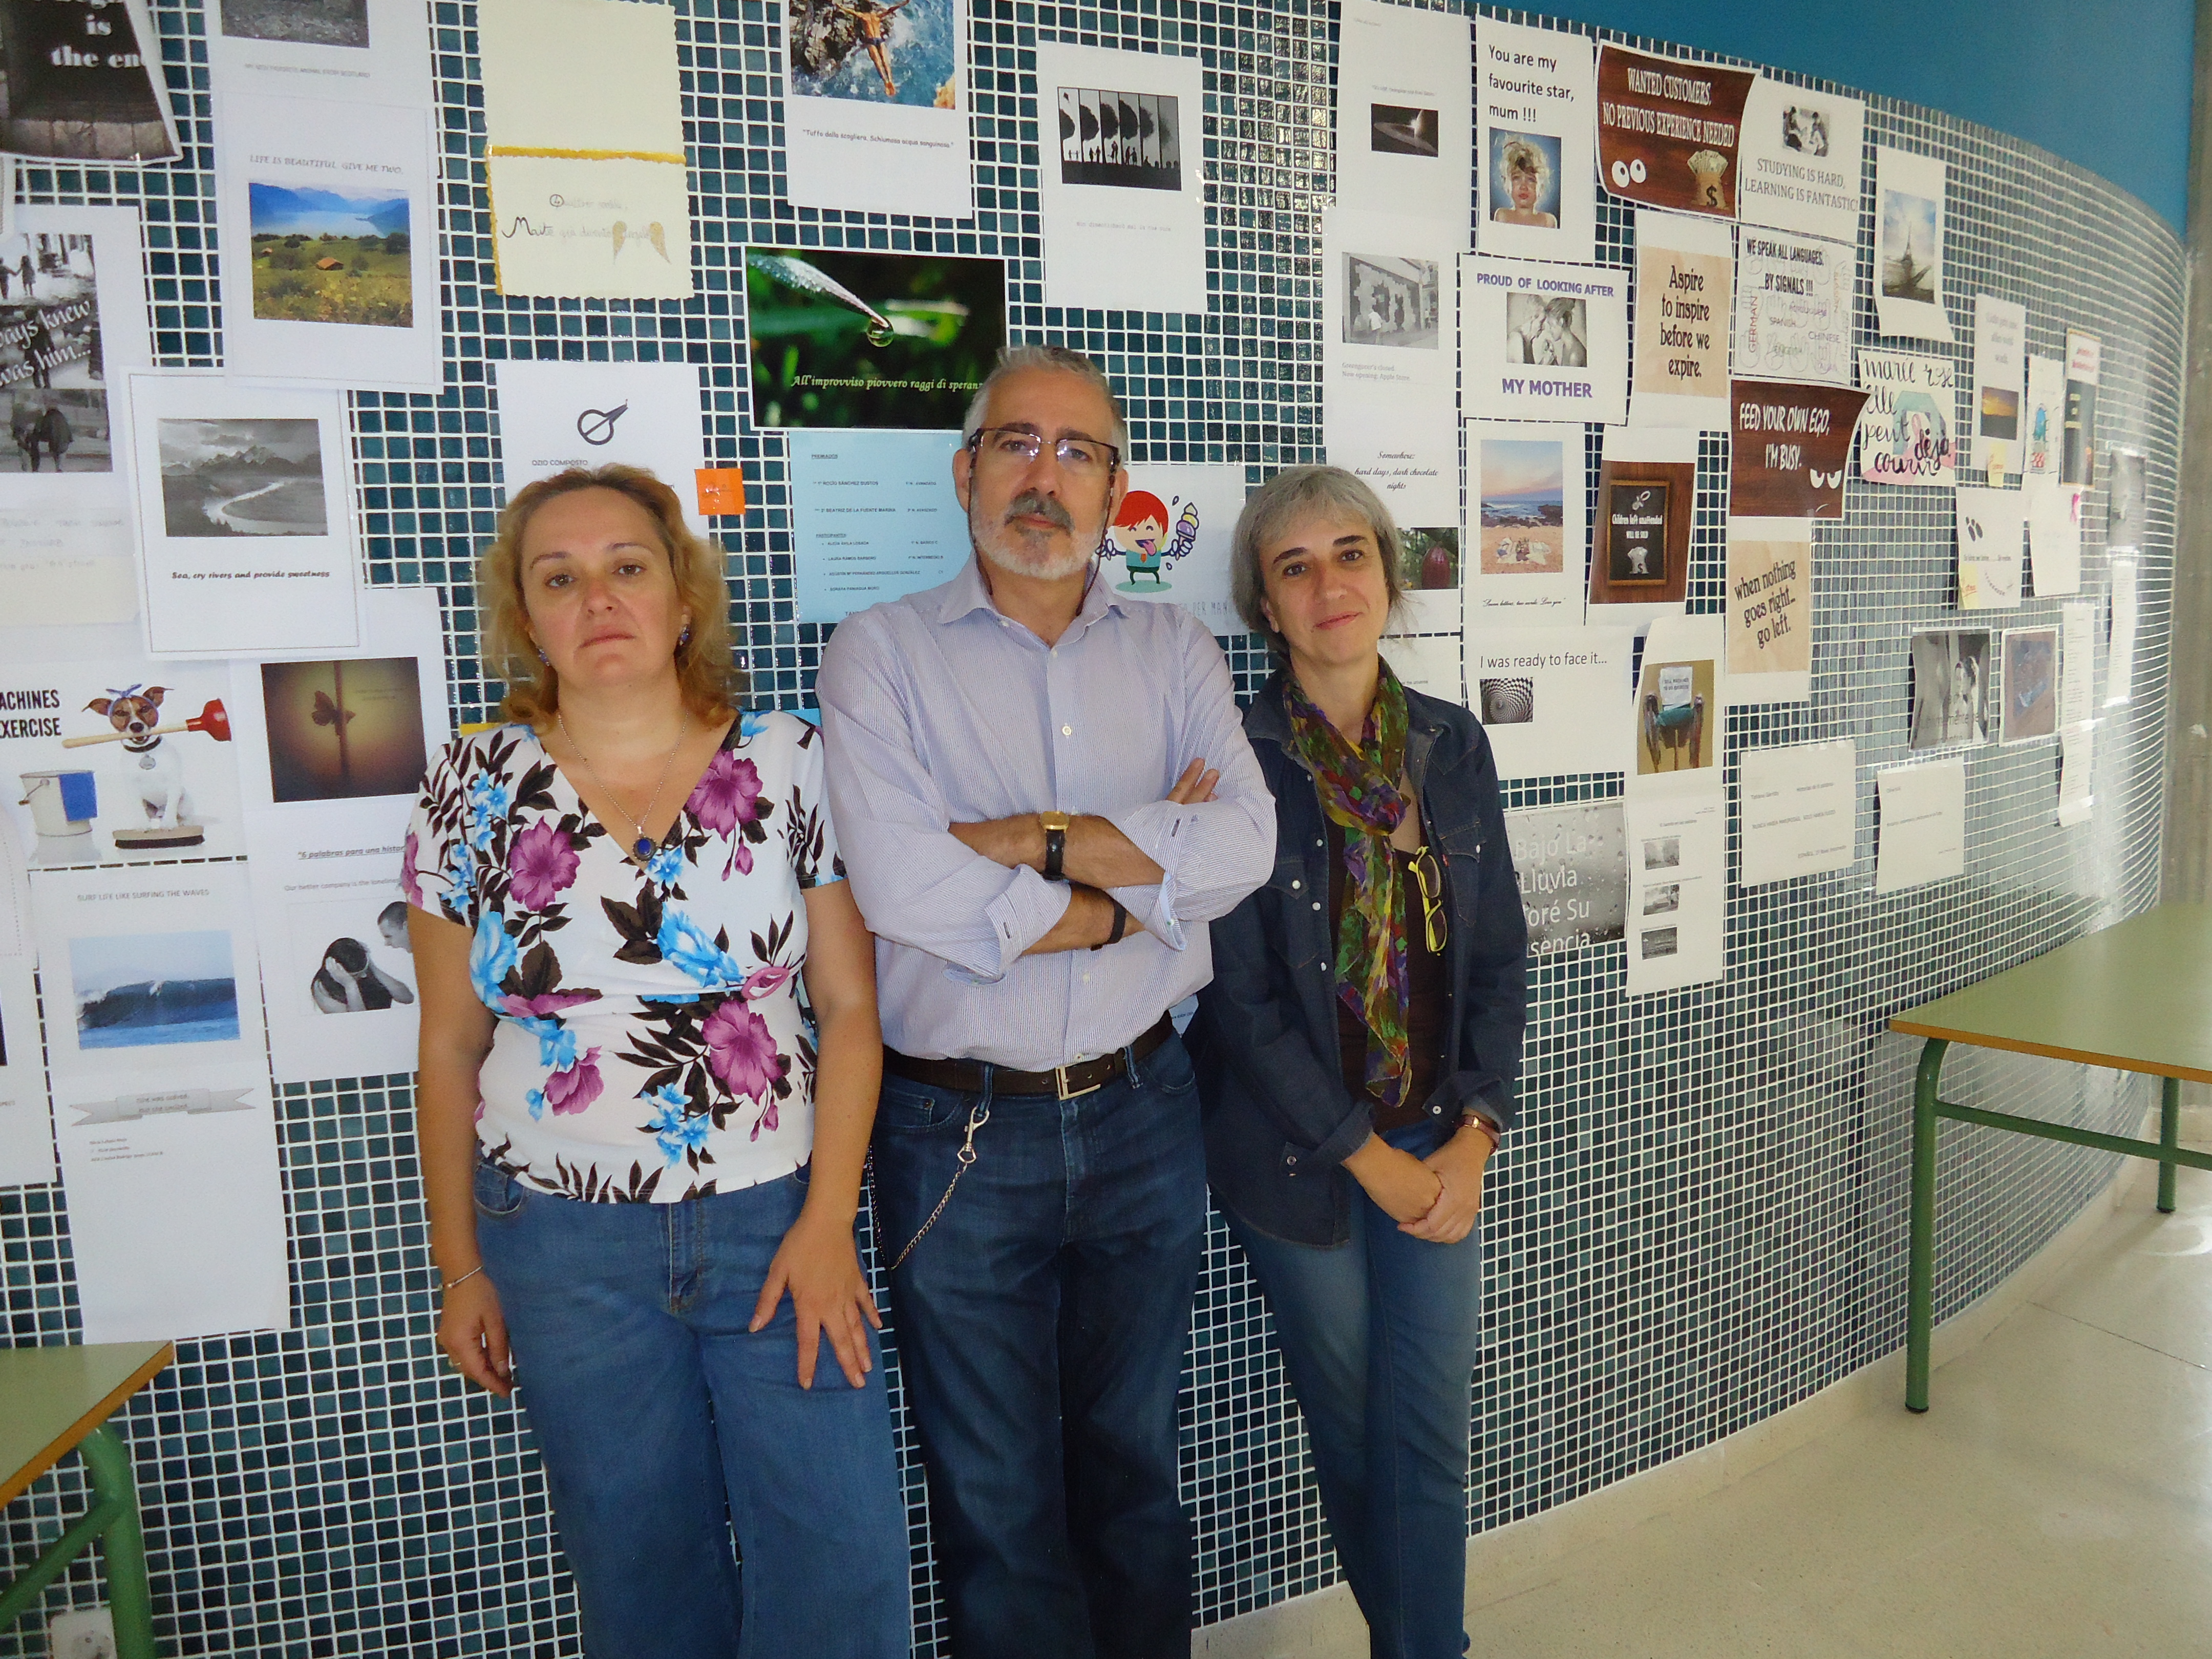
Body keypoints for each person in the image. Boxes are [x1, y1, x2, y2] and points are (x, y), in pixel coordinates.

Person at [405, 463, 909, 1658]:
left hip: (776, 1220)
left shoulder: (791, 760)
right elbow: (447, 1044)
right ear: (527, 619)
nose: (598, 598)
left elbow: (850, 1007)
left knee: (840, 1557)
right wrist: (460, 1266)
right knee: (641, 1573)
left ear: (682, 598)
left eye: (627, 567)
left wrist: (829, 1218)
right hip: (561, 1243)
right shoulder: (469, 785)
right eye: (559, 579)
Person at [818, 343, 1274, 1657]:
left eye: (1079, 451)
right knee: (996, 1498)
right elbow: (904, 887)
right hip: (954, 1135)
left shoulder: (1176, 647)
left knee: (1134, 1467)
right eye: (1017, 442)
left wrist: (1031, 835)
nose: (1044, 475)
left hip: (1145, 1109)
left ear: (1115, 490)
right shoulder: (878, 653)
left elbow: (1244, 846)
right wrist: (1136, 888)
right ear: (965, 471)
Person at [1188, 465, 1528, 1658]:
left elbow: (1500, 957)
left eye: (1351, 553)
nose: (1330, 583)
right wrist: (1363, 1157)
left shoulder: (1451, 743)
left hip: (1439, 1140)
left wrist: (1476, 1132)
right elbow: (1240, 1002)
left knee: (1427, 1433)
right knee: (1352, 1430)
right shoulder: (1234, 759)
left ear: (1387, 573)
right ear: (1264, 606)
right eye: (1296, 566)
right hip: (1295, 1159)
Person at [310, 935, 414, 1013]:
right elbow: (358, 1023)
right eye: (357, 975)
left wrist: (372, 967)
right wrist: (350, 985)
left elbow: (408, 998)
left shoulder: (364, 969)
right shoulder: (321, 988)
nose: (364, 976)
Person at [1492, 136, 1560, 228]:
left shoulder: (1548, 221)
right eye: (1516, 178)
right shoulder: (1503, 216)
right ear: (1506, 183)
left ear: (1541, 187)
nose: (1523, 186)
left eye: (1531, 180)